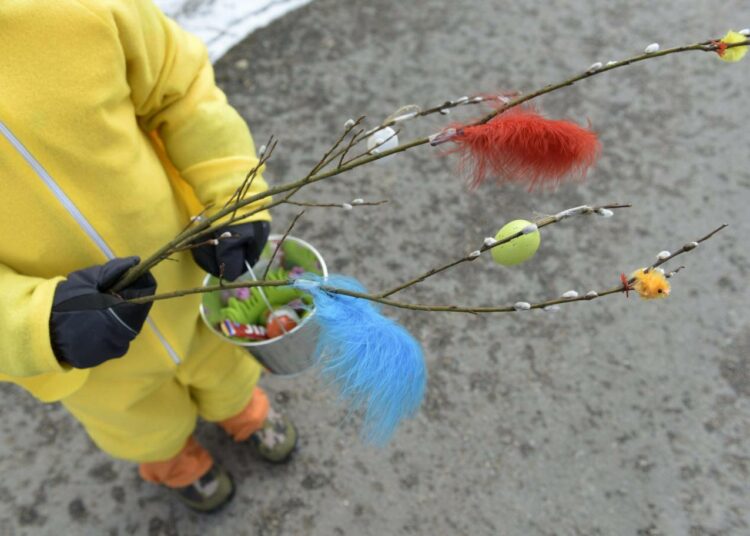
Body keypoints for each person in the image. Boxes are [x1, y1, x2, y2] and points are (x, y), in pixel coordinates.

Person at [0, 0, 295, 512]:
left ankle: (243, 411)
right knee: (140, 424)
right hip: (83, 350)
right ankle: (175, 462)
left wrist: (230, 193)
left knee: (226, 364)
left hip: (191, 272)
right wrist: (35, 325)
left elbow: (178, 87)